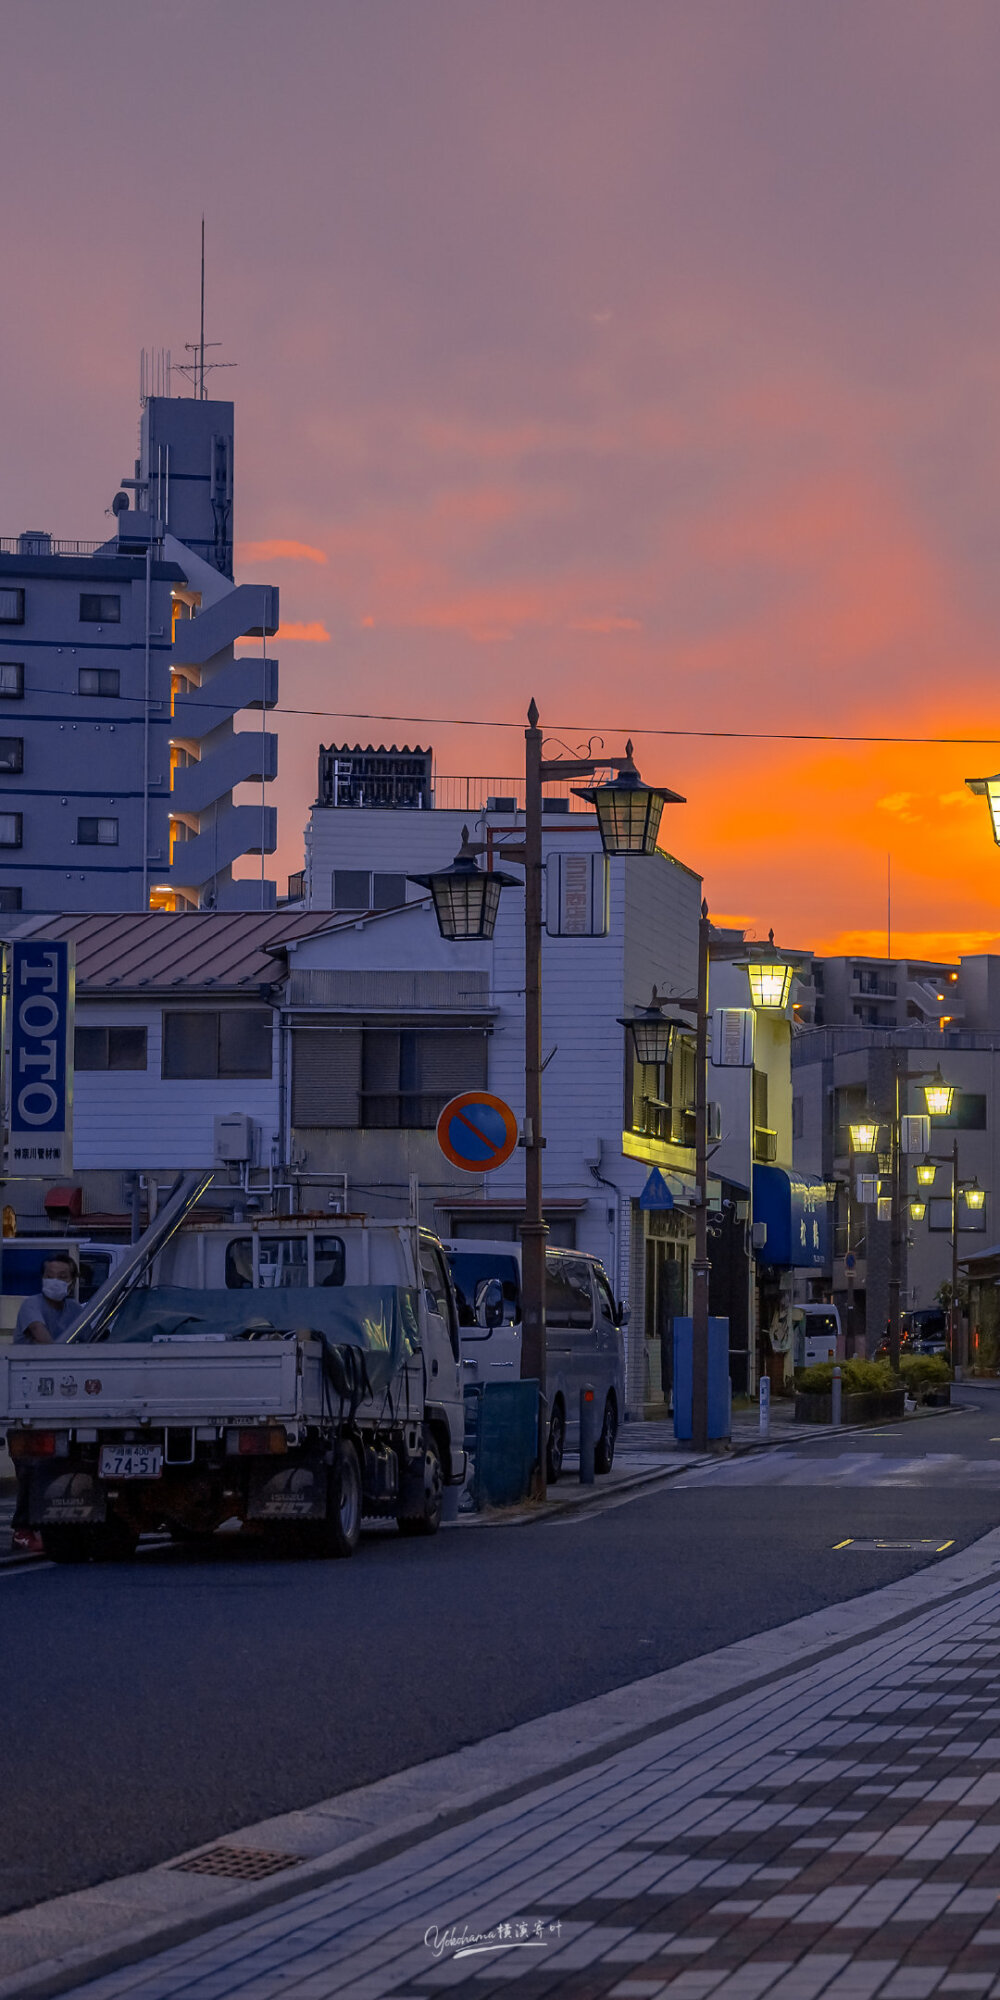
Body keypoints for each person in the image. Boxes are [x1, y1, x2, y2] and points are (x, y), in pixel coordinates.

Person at [10, 1253, 82, 1554]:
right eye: (50, 1275)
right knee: (31, 1466)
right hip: (30, 1402)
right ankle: (21, 1530)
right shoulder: (32, 1306)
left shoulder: (76, 1310)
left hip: (66, 1402)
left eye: (62, 1276)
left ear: (73, 1282)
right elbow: (43, 1339)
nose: (55, 1281)